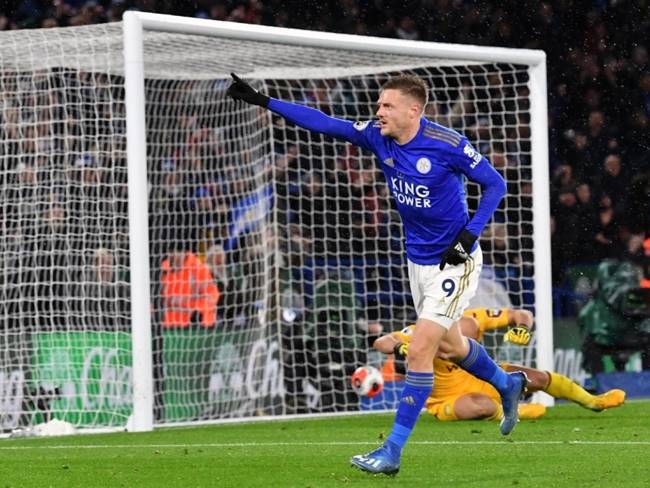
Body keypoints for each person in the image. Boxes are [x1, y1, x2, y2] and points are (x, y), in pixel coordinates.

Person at [228, 73, 526, 475]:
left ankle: (391, 452)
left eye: (387, 105)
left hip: (456, 260)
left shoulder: (447, 144)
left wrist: (469, 233)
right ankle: (507, 384)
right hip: (417, 260)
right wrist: (264, 101)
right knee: (452, 348)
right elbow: (324, 122)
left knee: (420, 350)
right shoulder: (376, 137)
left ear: (413, 110)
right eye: (379, 104)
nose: (378, 111)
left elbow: (495, 184)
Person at [376, 307, 625, 422]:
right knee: (480, 405)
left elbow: (522, 314)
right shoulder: (421, 331)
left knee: (538, 378)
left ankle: (593, 401)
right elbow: (382, 341)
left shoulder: (474, 319)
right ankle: (510, 413)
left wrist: (522, 328)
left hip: (485, 377)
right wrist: (400, 347)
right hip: (448, 400)